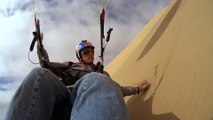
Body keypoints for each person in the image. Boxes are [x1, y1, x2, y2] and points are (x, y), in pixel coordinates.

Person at [5, 40, 151, 120]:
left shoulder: (101, 73)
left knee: (98, 80)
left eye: (92, 51)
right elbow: (46, 64)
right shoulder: (69, 66)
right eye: (86, 52)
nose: (90, 54)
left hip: (88, 96)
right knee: (38, 74)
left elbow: (119, 89)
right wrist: (40, 47)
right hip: (64, 95)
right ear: (80, 56)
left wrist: (137, 89)